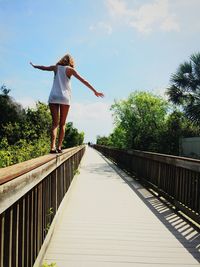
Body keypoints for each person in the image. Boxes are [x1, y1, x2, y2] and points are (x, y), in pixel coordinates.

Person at [30, 53, 104, 153]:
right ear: (71, 61)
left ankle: (52, 147)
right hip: (65, 98)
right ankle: (59, 147)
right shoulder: (70, 70)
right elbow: (84, 80)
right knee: (62, 124)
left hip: (54, 96)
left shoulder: (55, 67)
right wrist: (95, 91)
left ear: (62, 60)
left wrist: (35, 66)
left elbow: (44, 68)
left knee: (55, 123)